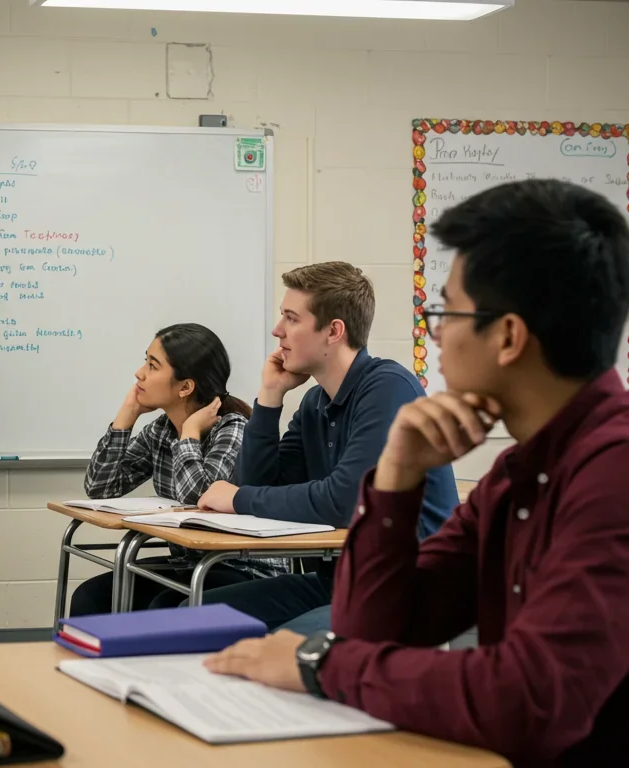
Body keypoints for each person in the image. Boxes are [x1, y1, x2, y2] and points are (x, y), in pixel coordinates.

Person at [206, 179, 629, 765]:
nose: (436, 333)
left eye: (445, 312)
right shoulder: (516, 473)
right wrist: (395, 479)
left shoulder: (614, 471)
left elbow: (529, 699)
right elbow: (377, 626)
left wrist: (318, 662)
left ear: (507, 336)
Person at [194, 262, 458, 630]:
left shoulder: (389, 389)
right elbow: (259, 486)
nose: (278, 330)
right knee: (196, 616)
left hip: (408, 586)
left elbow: (347, 501)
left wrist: (237, 500)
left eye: (291, 318)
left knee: (283, 647)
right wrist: (270, 397)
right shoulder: (316, 401)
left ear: (333, 331)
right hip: (340, 582)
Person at [68, 323, 274, 616]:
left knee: (161, 608)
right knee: (92, 597)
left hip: (240, 567)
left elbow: (200, 499)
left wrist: (189, 434)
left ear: (186, 387)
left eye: (152, 366)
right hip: (192, 564)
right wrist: (124, 419)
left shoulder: (233, 428)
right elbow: (101, 489)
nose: (140, 373)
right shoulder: (161, 430)